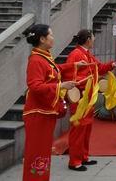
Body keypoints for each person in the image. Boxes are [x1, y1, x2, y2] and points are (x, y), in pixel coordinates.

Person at [22, 24, 84, 180]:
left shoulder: (44, 56)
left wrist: (74, 65)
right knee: (37, 153)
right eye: (51, 35)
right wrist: (61, 85)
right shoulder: (36, 60)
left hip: (44, 112)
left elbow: (55, 69)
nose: (53, 38)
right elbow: (35, 86)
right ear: (42, 39)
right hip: (38, 113)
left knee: (42, 152)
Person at [64, 29, 116, 171]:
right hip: (80, 98)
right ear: (88, 39)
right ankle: (74, 161)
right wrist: (88, 81)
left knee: (86, 128)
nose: (94, 40)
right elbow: (71, 77)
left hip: (88, 97)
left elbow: (99, 68)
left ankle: (83, 156)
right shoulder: (75, 55)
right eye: (93, 37)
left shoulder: (86, 54)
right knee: (78, 129)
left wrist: (111, 65)